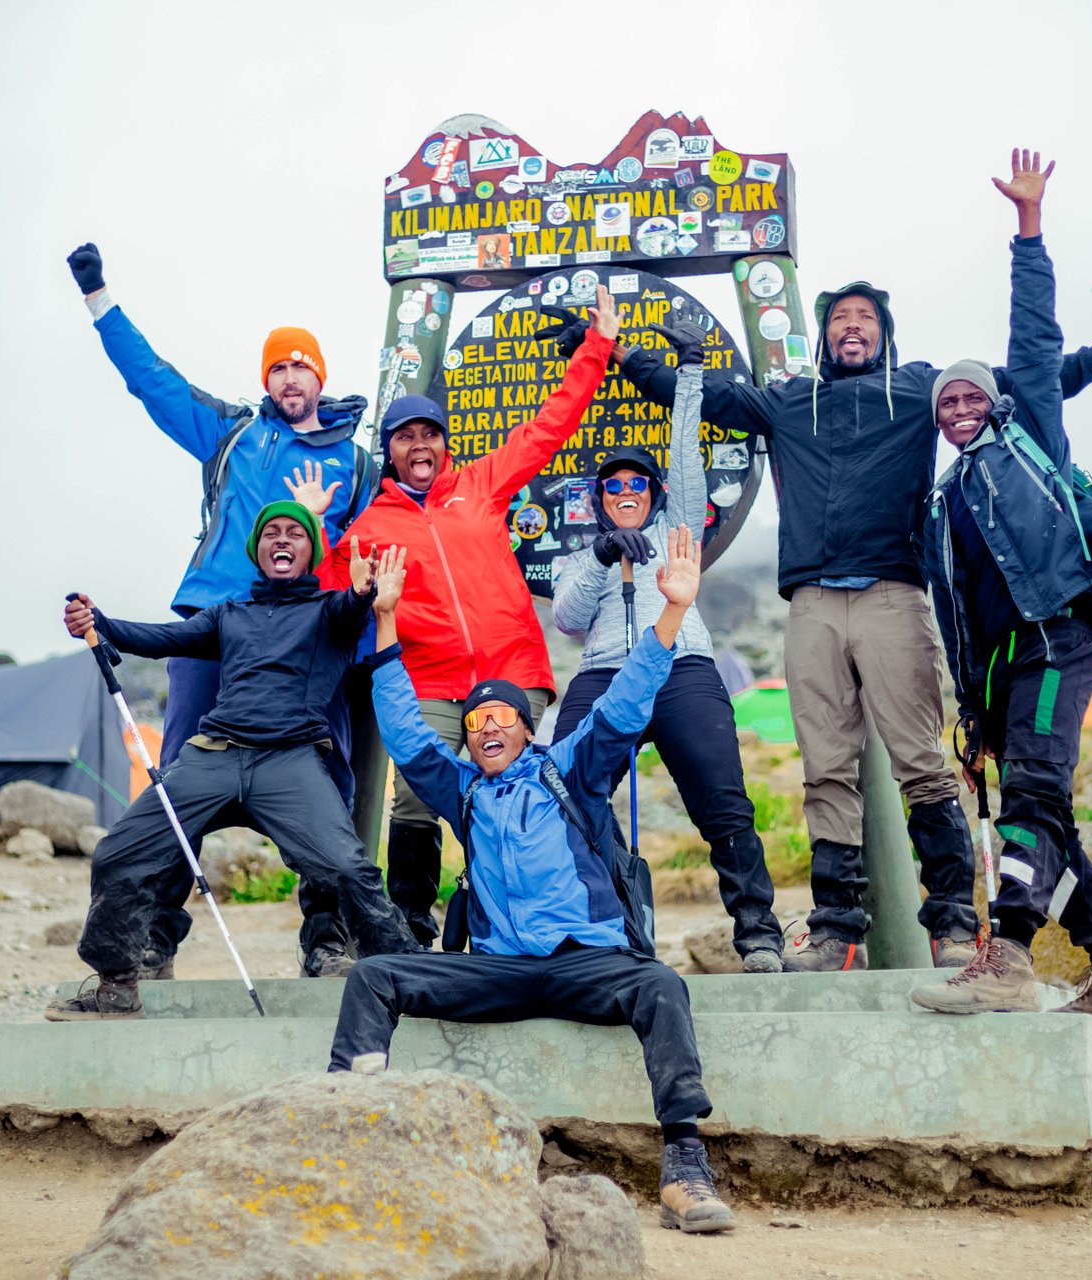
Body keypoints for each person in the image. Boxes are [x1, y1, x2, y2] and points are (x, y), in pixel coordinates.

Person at [612, 219, 1092, 973]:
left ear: (883, 335)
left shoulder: (920, 388)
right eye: (839, 321)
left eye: (865, 320)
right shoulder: (789, 401)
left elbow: (1027, 383)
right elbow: (706, 396)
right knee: (824, 767)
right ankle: (833, 928)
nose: (851, 329)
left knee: (921, 762)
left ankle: (952, 921)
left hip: (895, 596)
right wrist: (619, 354)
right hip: (814, 604)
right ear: (825, 338)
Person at [329, 530, 737, 1235]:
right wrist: (386, 619)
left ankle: (684, 1166)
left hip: (587, 961)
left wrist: (672, 613)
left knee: (663, 987)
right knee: (374, 979)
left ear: (527, 727)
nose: (486, 728)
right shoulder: (463, 791)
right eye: (477, 719)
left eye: (501, 718)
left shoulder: (569, 769)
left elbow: (627, 702)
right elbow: (404, 731)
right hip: (498, 970)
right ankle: (343, 1133)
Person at [67, 242, 378, 977]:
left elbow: (380, 548)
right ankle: (153, 938)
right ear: (266, 379)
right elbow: (153, 382)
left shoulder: (358, 463)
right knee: (179, 775)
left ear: (320, 375)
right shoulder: (233, 434)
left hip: (305, 636)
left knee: (326, 777)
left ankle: (328, 938)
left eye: (301, 364)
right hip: (215, 622)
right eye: (278, 366)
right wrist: (99, 300)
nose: (289, 375)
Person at [909, 150, 1092, 1021]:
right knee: (1049, 816)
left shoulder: (1030, 439)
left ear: (997, 402)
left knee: (1037, 801)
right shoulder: (944, 502)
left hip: (1057, 638)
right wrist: (973, 712)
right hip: (1001, 673)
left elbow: (1038, 341)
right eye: (947, 405)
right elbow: (962, 617)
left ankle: (1007, 956)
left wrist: (1029, 229)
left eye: (972, 396)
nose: (960, 409)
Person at [308, 288, 619, 946]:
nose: (419, 446)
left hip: (510, 671)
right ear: (389, 451)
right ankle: (411, 930)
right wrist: (323, 540)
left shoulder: (480, 485)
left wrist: (597, 347)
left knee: (526, 790)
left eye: (430, 435)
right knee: (416, 798)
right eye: (405, 437)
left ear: (444, 445)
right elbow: (325, 588)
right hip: (429, 682)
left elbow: (549, 426)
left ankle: (534, 920)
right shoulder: (371, 523)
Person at [44, 502, 419, 1020]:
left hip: (290, 761)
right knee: (119, 852)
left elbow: (351, 612)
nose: (282, 539)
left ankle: (412, 980)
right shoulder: (227, 615)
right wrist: (100, 622)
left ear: (310, 551)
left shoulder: (327, 610)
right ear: (257, 550)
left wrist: (360, 593)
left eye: (295, 533)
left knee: (347, 870)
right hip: (213, 755)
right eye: (271, 533)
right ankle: (116, 989)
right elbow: (158, 640)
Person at [551, 321, 786, 971]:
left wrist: (688, 372)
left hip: (680, 664)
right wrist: (601, 558)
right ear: (598, 500)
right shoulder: (580, 554)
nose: (626, 494)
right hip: (604, 672)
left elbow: (685, 455)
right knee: (566, 788)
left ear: (652, 497)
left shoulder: (676, 529)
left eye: (637, 487)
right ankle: (593, 925)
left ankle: (758, 930)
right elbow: (569, 620)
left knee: (723, 798)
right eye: (613, 488)